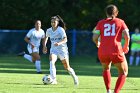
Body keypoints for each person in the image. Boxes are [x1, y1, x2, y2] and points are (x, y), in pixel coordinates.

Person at [92, 4, 130, 93]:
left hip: (103, 51)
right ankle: (116, 92)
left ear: (106, 13)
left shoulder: (100, 23)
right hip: (116, 50)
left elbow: (94, 37)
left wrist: (98, 43)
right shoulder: (120, 22)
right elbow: (127, 36)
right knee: (123, 72)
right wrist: (126, 46)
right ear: (116, 13)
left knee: (106, 69)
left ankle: (108, 90)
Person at [42, 15, 79, 85]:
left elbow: (65, 39)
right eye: (52, 22)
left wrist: (59, 43)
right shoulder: (49, 30)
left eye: (54, 22)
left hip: (62, 50)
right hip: (54, 50)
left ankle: (75, 77)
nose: (53, 23)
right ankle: (53, 80)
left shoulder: (60, 30)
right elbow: (46, 37)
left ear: (57, 22)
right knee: (51, 61)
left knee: (67, 67)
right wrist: (44, 46)